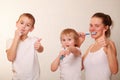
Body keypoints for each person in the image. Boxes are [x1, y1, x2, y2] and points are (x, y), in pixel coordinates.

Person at [6, 13, 44, 80]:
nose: (23, 26)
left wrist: (39, 47)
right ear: (17, 23)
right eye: (22, 23)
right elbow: (10, 58)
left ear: (31, 29)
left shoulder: (33, 40)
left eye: (27, 25)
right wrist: (16, 38)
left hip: (33, 78)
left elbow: (41, 50)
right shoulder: (10, 41)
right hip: (17, 78)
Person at [81, 12, 118, 80]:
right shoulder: (91, 47)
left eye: (96, 26)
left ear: (106, 28)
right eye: (91, 25)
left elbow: (114, 71)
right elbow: (79, 67)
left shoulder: (110, 44)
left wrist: (108, 47)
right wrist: (78, 44)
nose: (92, 29)